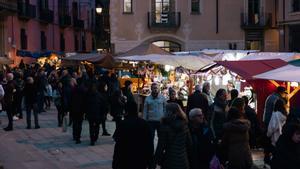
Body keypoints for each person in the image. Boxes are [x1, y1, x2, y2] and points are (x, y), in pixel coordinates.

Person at [112, 102, 153, 169]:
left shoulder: (123, 124)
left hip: (125, 160)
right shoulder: (145, 124)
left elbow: (118, 145)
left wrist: (115, 163)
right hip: (140, 159)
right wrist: (150, 162)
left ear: (126, 111)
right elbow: (149, 145)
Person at [152, 103, 192, 169]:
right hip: (183, 161)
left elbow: (160, 148)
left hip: (169, 161)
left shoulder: (165, 127)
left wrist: (154, 163)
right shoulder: (184, 125)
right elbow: (189, 144)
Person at [85, 81, 106, 146]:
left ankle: (92, 139)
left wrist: (86, 113)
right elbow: (103, 106)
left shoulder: (88, 95)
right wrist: (103, 114)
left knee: (91, 127)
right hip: (97, 114)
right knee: (96, 126)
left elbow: (86, 105)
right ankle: (95, 137)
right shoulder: (99, 95)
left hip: (91, 114)